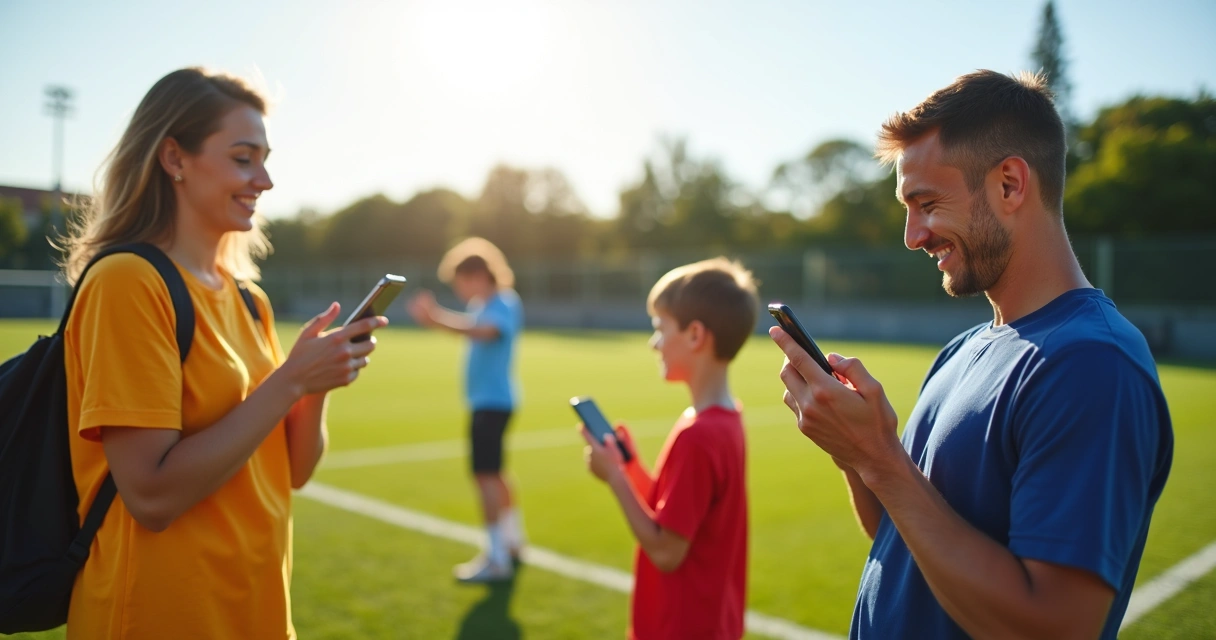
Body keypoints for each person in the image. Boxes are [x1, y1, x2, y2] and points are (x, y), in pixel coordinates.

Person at [772, 69, 1173, 639]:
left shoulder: (1091, 363)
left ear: (1009, 184)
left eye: (927, 203)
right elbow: (901, 534)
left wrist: (881, 459)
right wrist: (856, 453)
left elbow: (1055, 628)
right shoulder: (964, 349)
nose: (912, 236)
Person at [60, 68, 386, 639]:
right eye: (243, 158)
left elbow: (295, 470)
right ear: (174, 158)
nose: (265, 180)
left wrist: (315, 385)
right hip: (161, 618)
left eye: (265, 159)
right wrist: (289, 381)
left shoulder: (250, 299)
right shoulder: (128, 281)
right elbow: (152, 496)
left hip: (257, 614)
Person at [581, 257, 757, 640]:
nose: (654, 343)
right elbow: (673, 515)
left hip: (682, 625)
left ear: (695, 335)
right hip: (709, 621)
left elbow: (666, 551)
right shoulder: (723, 419)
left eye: (660, 329)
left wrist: (614, 478)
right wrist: (629, 467)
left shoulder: (698, 434)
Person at [407, 237, 525, 583]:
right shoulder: (485, 304)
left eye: (460, 280)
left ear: (477, 276)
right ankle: (513, 543)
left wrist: (436, 318)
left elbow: (484, 331)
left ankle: (497, 558)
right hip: (491, 402)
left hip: (492, 404)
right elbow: (474, 326)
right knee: (496, 474)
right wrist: (440, 320)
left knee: (485, 477)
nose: (458, 289)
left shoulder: (502, 302)